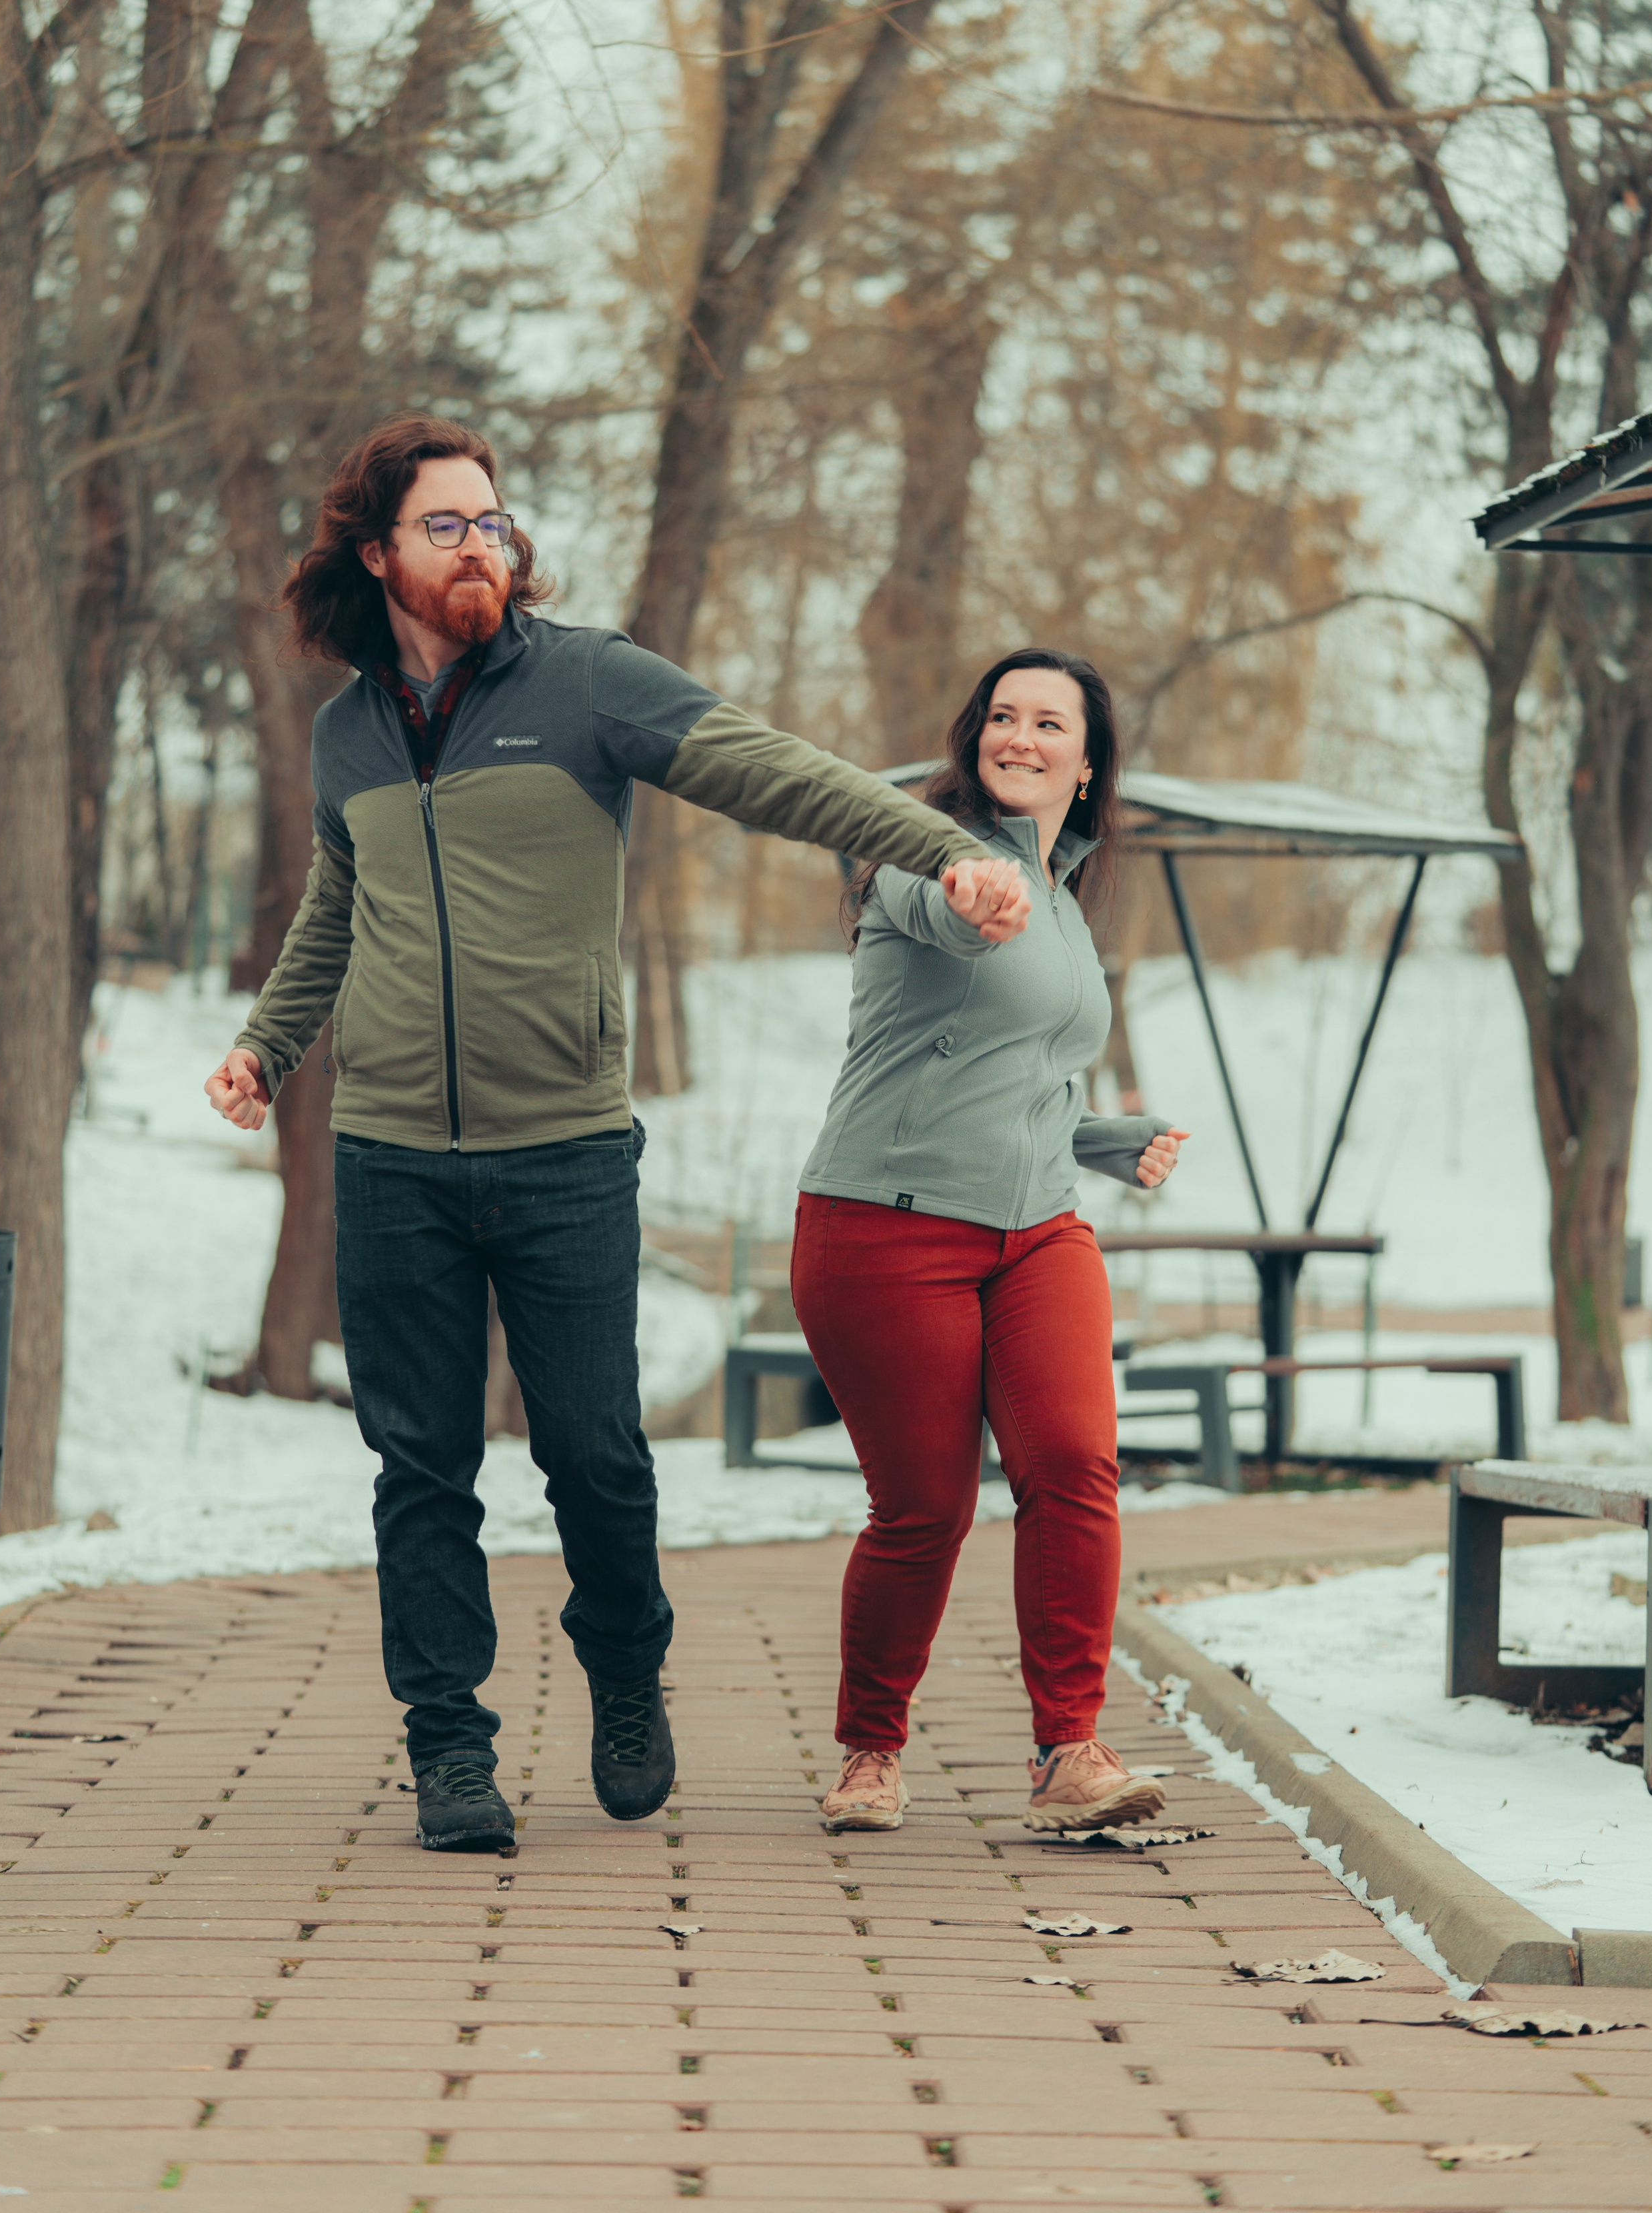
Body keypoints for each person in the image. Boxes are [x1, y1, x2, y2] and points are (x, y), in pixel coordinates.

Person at [203, 413, 1034, 1859]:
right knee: (420, 1467)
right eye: (447, 524)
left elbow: (772, 768)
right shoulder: (344, 733)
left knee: (592, 1452)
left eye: (494, 520)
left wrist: (945, 845)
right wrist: (269, 1048)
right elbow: (343, 906)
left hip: (564, 1148)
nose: (481, 543)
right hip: (391, 1155)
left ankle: (624, 1674)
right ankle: (449, 1747)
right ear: (378, 553)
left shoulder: (584, 684)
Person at [790, 647, 1190, 1836]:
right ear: (975, 741)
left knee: (1073, 1465)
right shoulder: (911, 850)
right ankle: (871, 1749)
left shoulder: (1067, 896)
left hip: (1038, 1234)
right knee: (924, 1510)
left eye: (1048, 722)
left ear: (1088, 759)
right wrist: (970, 886)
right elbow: (951, 925)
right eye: (1001, 718)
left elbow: (1027, 1070)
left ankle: (1071, 1750)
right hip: (884, 1228)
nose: (1020, 736)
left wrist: (1111, 1138)